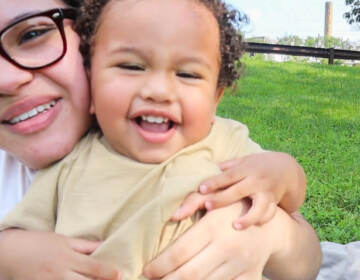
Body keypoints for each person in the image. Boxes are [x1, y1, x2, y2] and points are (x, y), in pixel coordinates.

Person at [0, 0, 321, 279]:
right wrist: (14, 257)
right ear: (92, 83)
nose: (158, 90)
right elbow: (15, 236)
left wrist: (282, 171)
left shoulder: (224, 140)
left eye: (188, 74)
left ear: (215, 99)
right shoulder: (71, 164)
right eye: (131, 66)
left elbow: (294, 217)